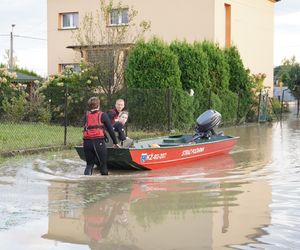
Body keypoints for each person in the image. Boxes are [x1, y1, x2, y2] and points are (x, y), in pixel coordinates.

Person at [83, 97, 119, 176]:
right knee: (103, 165)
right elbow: (110, 129)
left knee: (89, 165)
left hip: (87, 142)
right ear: (98, 105)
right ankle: (103, 186)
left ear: (89, 106)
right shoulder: (103, 115)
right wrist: (115, 142)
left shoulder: (86, 115)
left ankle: (86, 184)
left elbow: (85, 127)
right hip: (98, 141)